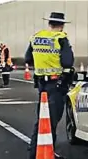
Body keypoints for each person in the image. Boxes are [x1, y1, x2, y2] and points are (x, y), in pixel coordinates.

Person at [25, 12, 75, 159]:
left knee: (42, 118)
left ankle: (37, 151)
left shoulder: (37, 37)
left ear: (50, 24)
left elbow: (28, 58)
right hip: (56, 84)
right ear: (62, 25)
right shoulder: (61, 38)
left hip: (41, 83)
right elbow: (67, 62)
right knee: (51, 120)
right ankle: (43, 152)